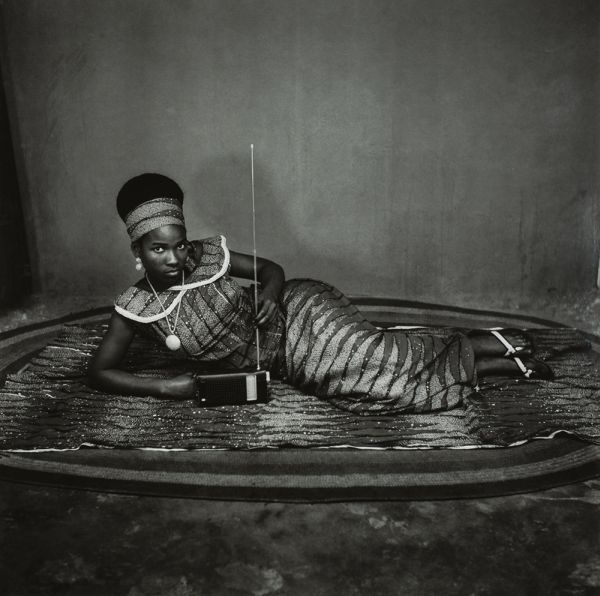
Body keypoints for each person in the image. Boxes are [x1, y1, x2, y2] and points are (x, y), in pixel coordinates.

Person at [88, 173, 553, 415]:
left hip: (299, 312)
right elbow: (101, 372)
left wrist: (271, 294)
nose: (174, 257)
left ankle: (485, 347)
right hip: (287, 362)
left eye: (179, 244)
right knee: (367, 389)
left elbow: (271, 270)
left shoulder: (209, 256)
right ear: (137, 251)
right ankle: (484, 362)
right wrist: (163, 387)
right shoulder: (135, 308)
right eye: (159, 249)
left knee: (372, 355)